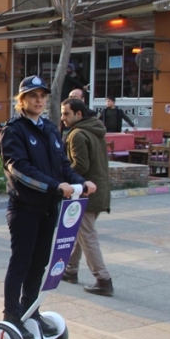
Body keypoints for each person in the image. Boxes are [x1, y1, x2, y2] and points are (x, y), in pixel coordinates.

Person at [0, 75, 96, 339]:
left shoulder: (50, 129)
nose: (39, 100)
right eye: (33, 96)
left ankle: (31, 310)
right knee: (21, 262)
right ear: (22, 100)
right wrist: (56, 186)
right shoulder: (14, 131)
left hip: (49, 208)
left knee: (40, 263)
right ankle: (11, 316)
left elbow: (62, 164)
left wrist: (79, 182)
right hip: (24, 208)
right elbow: (20, 170)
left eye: (42, 96)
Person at [60, 98, 113, 296]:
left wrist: (62, 180)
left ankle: (103, 279)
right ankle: (70, 270)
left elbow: (80, 166)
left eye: (66, 113)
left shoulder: (78, 134)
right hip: (99, 191)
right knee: (79, 233)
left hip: (86, 193)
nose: (63, 118)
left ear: (78, 114)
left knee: (87, 236)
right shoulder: (94, 130)